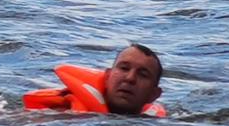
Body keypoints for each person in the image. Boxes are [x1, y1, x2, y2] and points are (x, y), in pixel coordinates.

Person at [23, 43, 167, 117]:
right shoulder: (60, 113)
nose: (130, 78)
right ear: (107, 77)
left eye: (143, 74)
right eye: (124, 68)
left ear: (154, 95)